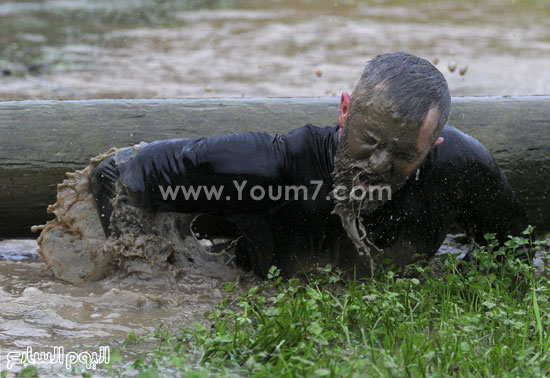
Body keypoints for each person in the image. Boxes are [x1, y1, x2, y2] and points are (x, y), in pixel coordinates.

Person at [90, 53, 527, 278]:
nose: (374, 166)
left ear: (434, 146)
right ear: (344, 111)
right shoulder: (268, 168)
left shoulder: (461, 167)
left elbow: (514, 252)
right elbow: (116, 174)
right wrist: (141, 278)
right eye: (368, 142)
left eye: (402, 156)